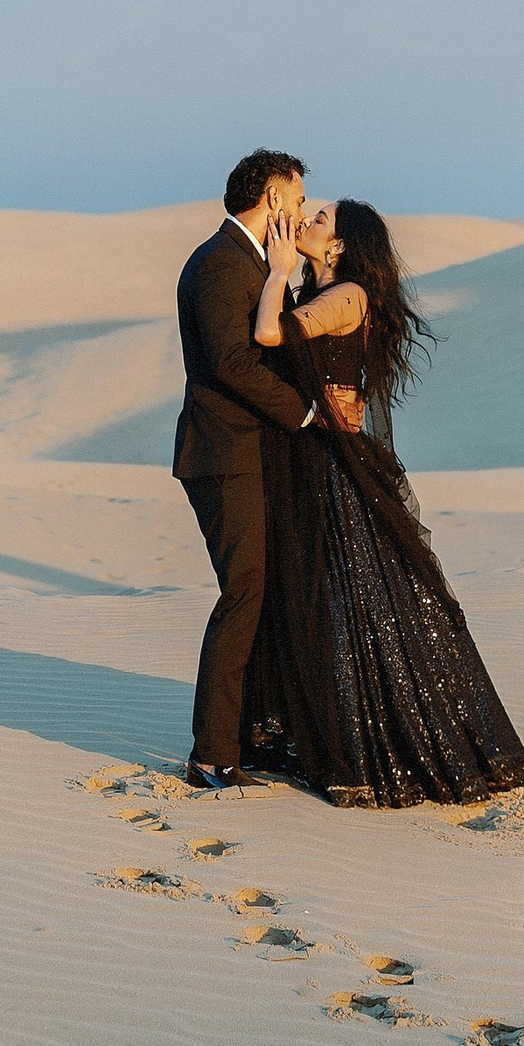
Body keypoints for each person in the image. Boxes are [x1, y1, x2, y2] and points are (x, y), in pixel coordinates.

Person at [239, 195, 524, 809]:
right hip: (312, 460)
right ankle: (333, 726)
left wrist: (274, 270)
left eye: (318, 220)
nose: (307, 223)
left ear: (341, 245)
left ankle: (373, 741)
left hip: (335, 466)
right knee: (330, 597)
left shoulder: (346, 297)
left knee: (356, 598)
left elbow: (269, 334)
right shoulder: (317, 291)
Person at [171, 148, 320, 792]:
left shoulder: (256, 263)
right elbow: (232, 363)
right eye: (297, 194)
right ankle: (211, 755)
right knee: (243, 592)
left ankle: (250, 736)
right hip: (222, 453)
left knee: (260, 591)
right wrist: (307, 415)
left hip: (248, 452)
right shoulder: (220, 264)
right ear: (271, 197)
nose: (305, 206)